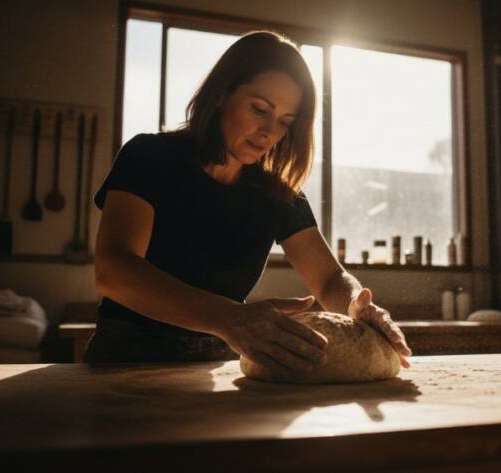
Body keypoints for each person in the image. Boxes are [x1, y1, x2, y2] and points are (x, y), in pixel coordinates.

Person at [84, 30, 411, 375]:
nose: (270, 132)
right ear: (222, 93)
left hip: (211, 371)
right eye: (259, 110)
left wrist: (357, 305)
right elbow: (114, 268)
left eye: (285, 122)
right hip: (120, 364)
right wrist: (229, 317)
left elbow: (330, 279)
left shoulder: (277, 195)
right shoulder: (149, 157)